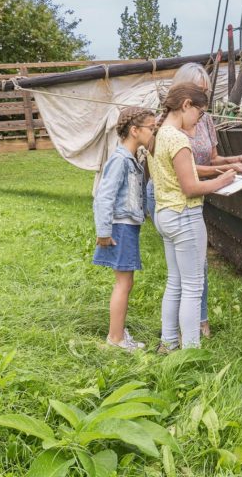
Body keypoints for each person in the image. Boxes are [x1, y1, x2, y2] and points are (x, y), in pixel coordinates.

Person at [145, 62, 242, 338]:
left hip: (165, 210)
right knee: (192, 286)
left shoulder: (158, 134)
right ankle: (191, 351)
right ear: (186, 104)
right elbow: (190, 184)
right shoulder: (179, 139)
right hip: (184, 212)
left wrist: (227, 163)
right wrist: (222, 180)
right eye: (199, 110)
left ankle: (169, 342)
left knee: (175, 282)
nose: (200, 118)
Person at [93, 106, 156, 352]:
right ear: (134, 130)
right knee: (123, 284)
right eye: (150, 128)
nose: (153, 132)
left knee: (126, 282)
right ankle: (115, 339)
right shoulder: (119, 160)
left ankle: (117, 334)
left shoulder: (132, 159)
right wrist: (104, 232)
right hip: (120, 228)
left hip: (127, 226)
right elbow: (104, 197)